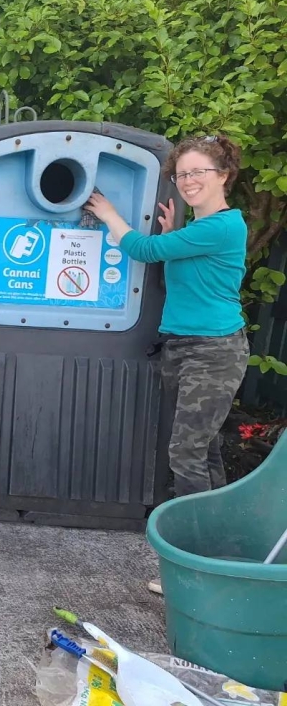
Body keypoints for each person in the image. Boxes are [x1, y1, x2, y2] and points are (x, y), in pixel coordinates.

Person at [85, 134, 249, 595]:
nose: (188, 180)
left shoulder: (223, 226)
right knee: (204, 453)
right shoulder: (200, 230)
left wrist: (108, 213)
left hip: (213, 351)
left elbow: (143, 251)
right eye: (182, 174)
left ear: (224, 175)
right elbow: (178, 257)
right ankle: (216, 558)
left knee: (186, 454)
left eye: (198, 172)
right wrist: (173, 231)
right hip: (185, 348)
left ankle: (191, 570)